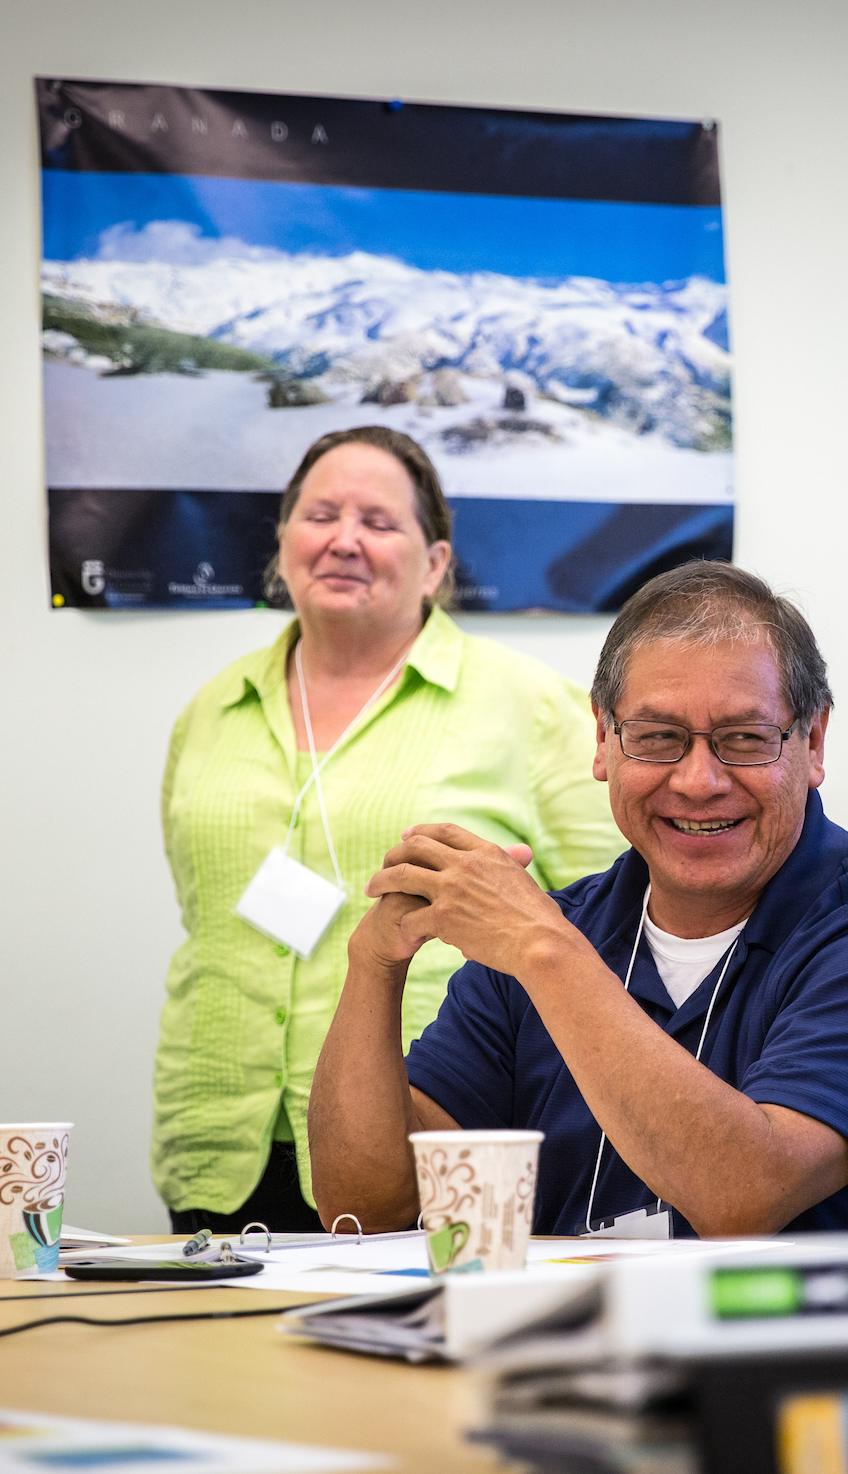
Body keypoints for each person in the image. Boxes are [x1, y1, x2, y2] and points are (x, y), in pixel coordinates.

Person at [308, 561, 848, 1237]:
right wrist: (373, 963)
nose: (698, 780)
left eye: (745, 739)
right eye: (659, 737)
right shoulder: (557, 930)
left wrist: (544, 951)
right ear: (604, 739)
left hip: (796, 1347)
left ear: (812, 742)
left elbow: (741, 1198)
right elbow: (366, 1207)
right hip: (564, 1339)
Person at [154, 427, 624, 1235]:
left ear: (436, 563)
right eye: (320, 515)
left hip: (430, 1137)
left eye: (378, 521)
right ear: (283, 541)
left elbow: (612, 931)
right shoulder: (211, 709)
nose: (343, 540)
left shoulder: (534, 707)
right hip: (217, 1138)